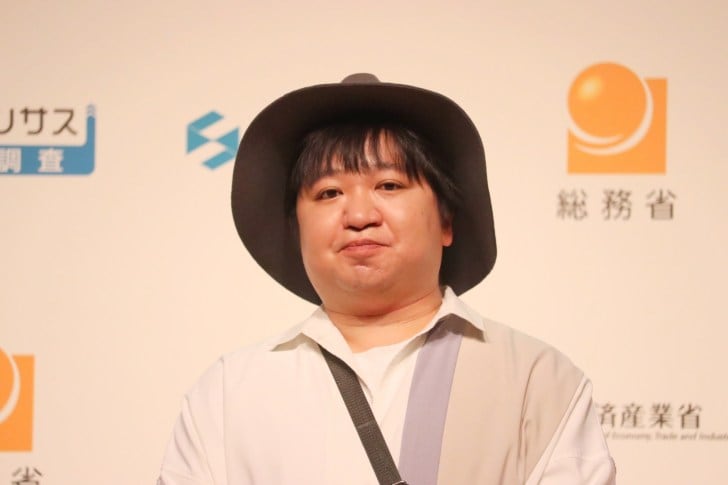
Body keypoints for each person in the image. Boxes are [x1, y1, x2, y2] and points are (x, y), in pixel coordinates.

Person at [158, 73, 616, 484]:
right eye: (329, 193)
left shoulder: (537, 380)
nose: (359, 215)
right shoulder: (229, 391)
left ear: (446, 221)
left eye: (389, 186)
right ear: (297, 230)